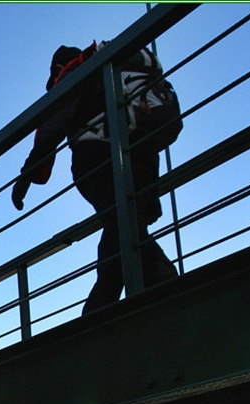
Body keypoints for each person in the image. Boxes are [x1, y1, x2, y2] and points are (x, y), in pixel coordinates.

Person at [11, 43, 177, 315]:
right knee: (121, 227)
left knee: (122, 227)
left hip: (98, 161)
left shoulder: (76, 71)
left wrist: (27, 175)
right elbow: (143, 141)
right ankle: (100, 306)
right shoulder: (112, 71)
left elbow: (53, 126)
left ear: (57, 68)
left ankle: (165, 285)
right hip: (140, 157)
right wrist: (151, 194)